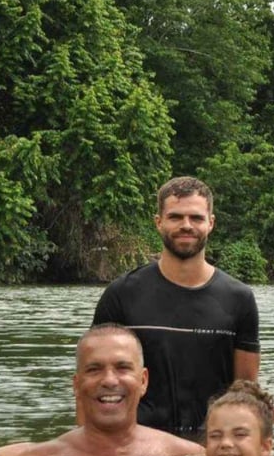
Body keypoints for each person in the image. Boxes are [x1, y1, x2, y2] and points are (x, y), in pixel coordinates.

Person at [93, 176, 260, 435]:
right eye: (175, 217)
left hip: (211, 444)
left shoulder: (239, 298)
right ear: (158, 222)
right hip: (140, 444)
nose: (186, 225)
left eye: (196, 218)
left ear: (211, 223)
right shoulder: (121, 294)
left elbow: (246, 393)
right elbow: (93, 384)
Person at [0, 324, 205, 456]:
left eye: (122, 367)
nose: (109, 380)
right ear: (76, 385)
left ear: (143, 381)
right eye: (94, 369)